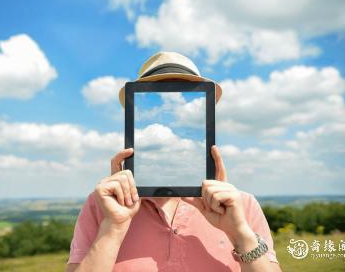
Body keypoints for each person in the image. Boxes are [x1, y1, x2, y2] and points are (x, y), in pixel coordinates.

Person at [66, 52, 282, 272]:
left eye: (190, 99)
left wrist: (240, 233)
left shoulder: (242, 205)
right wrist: (112, 228)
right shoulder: (101, 206)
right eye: (153, 98)